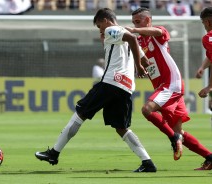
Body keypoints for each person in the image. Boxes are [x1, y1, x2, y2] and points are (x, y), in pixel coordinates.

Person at [35, 8, 157, 173]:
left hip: (110, 83)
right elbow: (142, 55)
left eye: (100, 26)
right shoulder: (121, 33)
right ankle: (147, 162)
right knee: (121, 128)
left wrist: (138, 66)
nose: (101, 31)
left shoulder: (111, 29)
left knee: (80, 113)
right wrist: (144, 65)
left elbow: (133, 40)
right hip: (126, 88)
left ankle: (54, 153)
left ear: (106, 20)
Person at [126, 7, 212, 170]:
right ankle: (209, 157)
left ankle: (173, 139)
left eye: (138, 22)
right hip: (164, 87)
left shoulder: (158, 32)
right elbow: (137, 56)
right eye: (133, 23)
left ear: (148, 20)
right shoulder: (138, 42)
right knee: (179, 131)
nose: (135, 26)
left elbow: (158, 32)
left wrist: (134, 30)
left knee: (147, 110)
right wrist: (139, 67)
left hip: (171, 84)